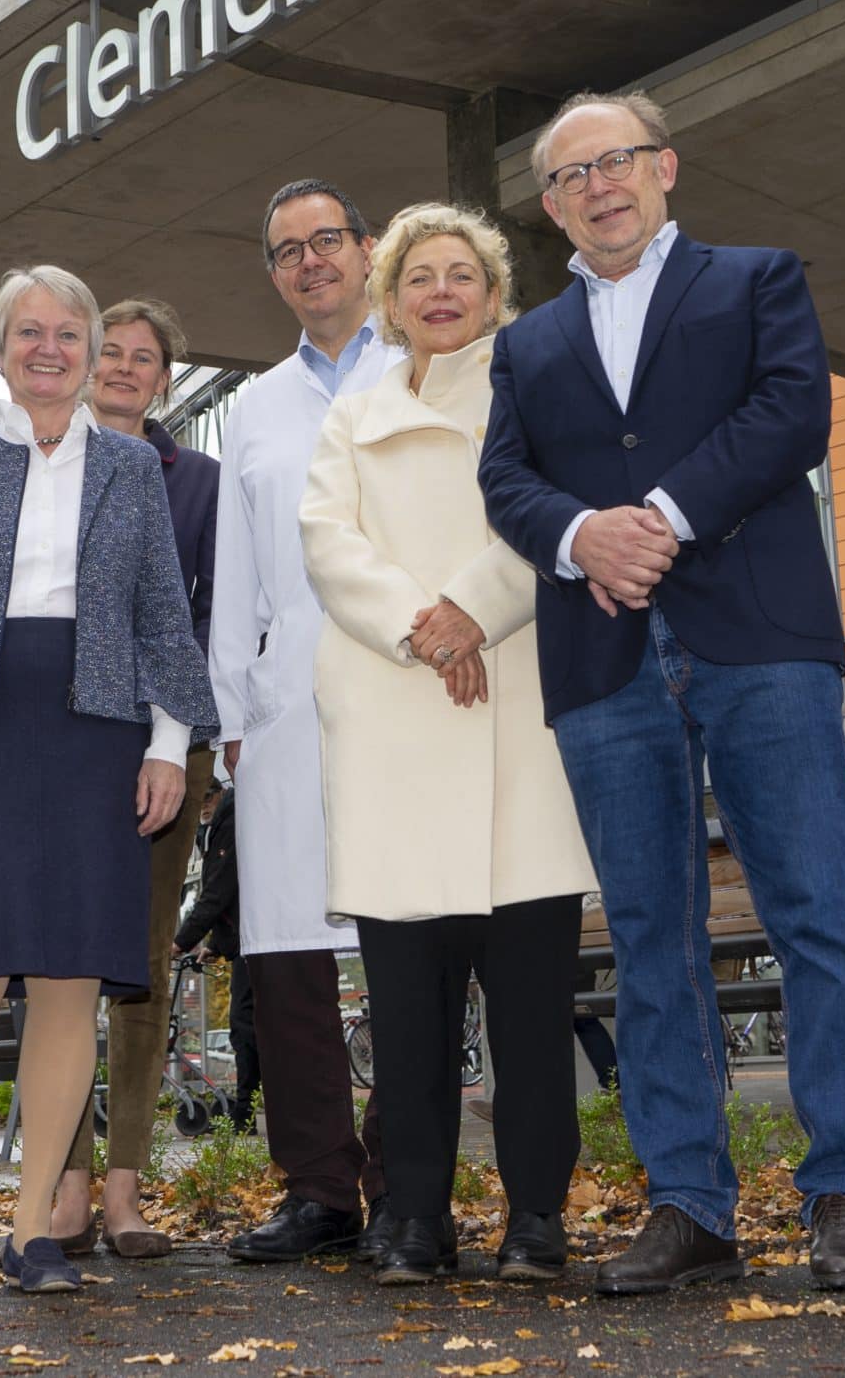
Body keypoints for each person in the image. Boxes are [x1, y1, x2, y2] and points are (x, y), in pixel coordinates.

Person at [478, 91, 845, 1295]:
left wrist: (657, 520)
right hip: (605, 662)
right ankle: (690, 1204)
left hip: (758, 638)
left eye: (615, 162)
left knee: (815, 910)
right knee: (654, 936)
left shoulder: (758, 278)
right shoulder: (530, 343)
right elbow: (505, 479)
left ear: (663, 166)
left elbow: (791, 414)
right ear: (550, 208)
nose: (597, 187)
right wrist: (580, 537)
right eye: (569, 177)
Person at [0, 266, 219, 1300]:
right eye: (32, 332)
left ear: (94, 349)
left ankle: (31, 1235)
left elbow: (162, 616)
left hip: (98, 735)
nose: (51, 349)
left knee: (70, 980)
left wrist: (165, 742)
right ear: (0, 345)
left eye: (71, 333)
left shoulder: (133, 469)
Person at [301, 203, 597, 1285]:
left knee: (528, 1015)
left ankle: (535, 1222)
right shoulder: (357, 413)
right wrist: (425, 628)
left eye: (460, 274)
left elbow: (558, 519)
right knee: (409, 1019)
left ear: (492, 292)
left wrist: (472, 608)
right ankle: (414, 1219)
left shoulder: (540, 389)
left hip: (513, 709)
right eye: (418, 275)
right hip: (395, 712)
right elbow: (327, 542)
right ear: (389, 300)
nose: (440, 291)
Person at [208, 179, 400, 1263]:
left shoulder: (421, 363)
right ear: (274, 274)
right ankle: (321, 1190)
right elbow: (237, 568)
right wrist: (235, 702)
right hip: (290, 693)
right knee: (286, 954)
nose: (311, 261)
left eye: (329, 239)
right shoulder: (257, 404)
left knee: (409, 939)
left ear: (368, 249)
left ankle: (401, 1177)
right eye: (288, 250)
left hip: (413, 681)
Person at [46, 297, 221, 1260]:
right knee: (59, 958)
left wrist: (194, 735)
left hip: (165, 745)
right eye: (106, 350)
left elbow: (204, 621)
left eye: (141, 356)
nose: (119, 366)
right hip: (57, 744)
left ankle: (124, 1193)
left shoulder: (197, 482)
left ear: (164, 376)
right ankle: (62, 1190)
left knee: (144, 970)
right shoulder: (41, 466)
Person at [174, 786, 259, 1130]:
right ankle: (247, 1106)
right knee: (246, 1026)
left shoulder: (231, 821)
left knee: (244, 1024)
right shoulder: (216, 826)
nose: (202, 810)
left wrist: (182, 940)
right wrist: (217, 944)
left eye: (203, 801)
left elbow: (220, 890)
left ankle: (247, 1111)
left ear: (216, 794)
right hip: (244, 938)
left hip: (253, 940)